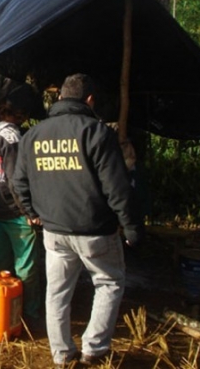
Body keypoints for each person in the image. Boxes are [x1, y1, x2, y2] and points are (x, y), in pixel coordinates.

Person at [11, 74, 143, 367]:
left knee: (56, 293)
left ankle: (61, 353)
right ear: (90, 100)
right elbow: (117, 188)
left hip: (54, 231)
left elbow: (18, 182)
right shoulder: (97, 133)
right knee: (108, 282)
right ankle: (94, 350)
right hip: (95, 231)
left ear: (59, 98)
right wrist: (132, 228)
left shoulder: (33, 135)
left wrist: (32, 213)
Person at [0, 84, 42, 326]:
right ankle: (29, 314)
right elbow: (16, 179)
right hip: (15, 211)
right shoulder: (12, 136)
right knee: (27, 265)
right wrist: (29, 211)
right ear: (22, 114)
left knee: (2, 261)